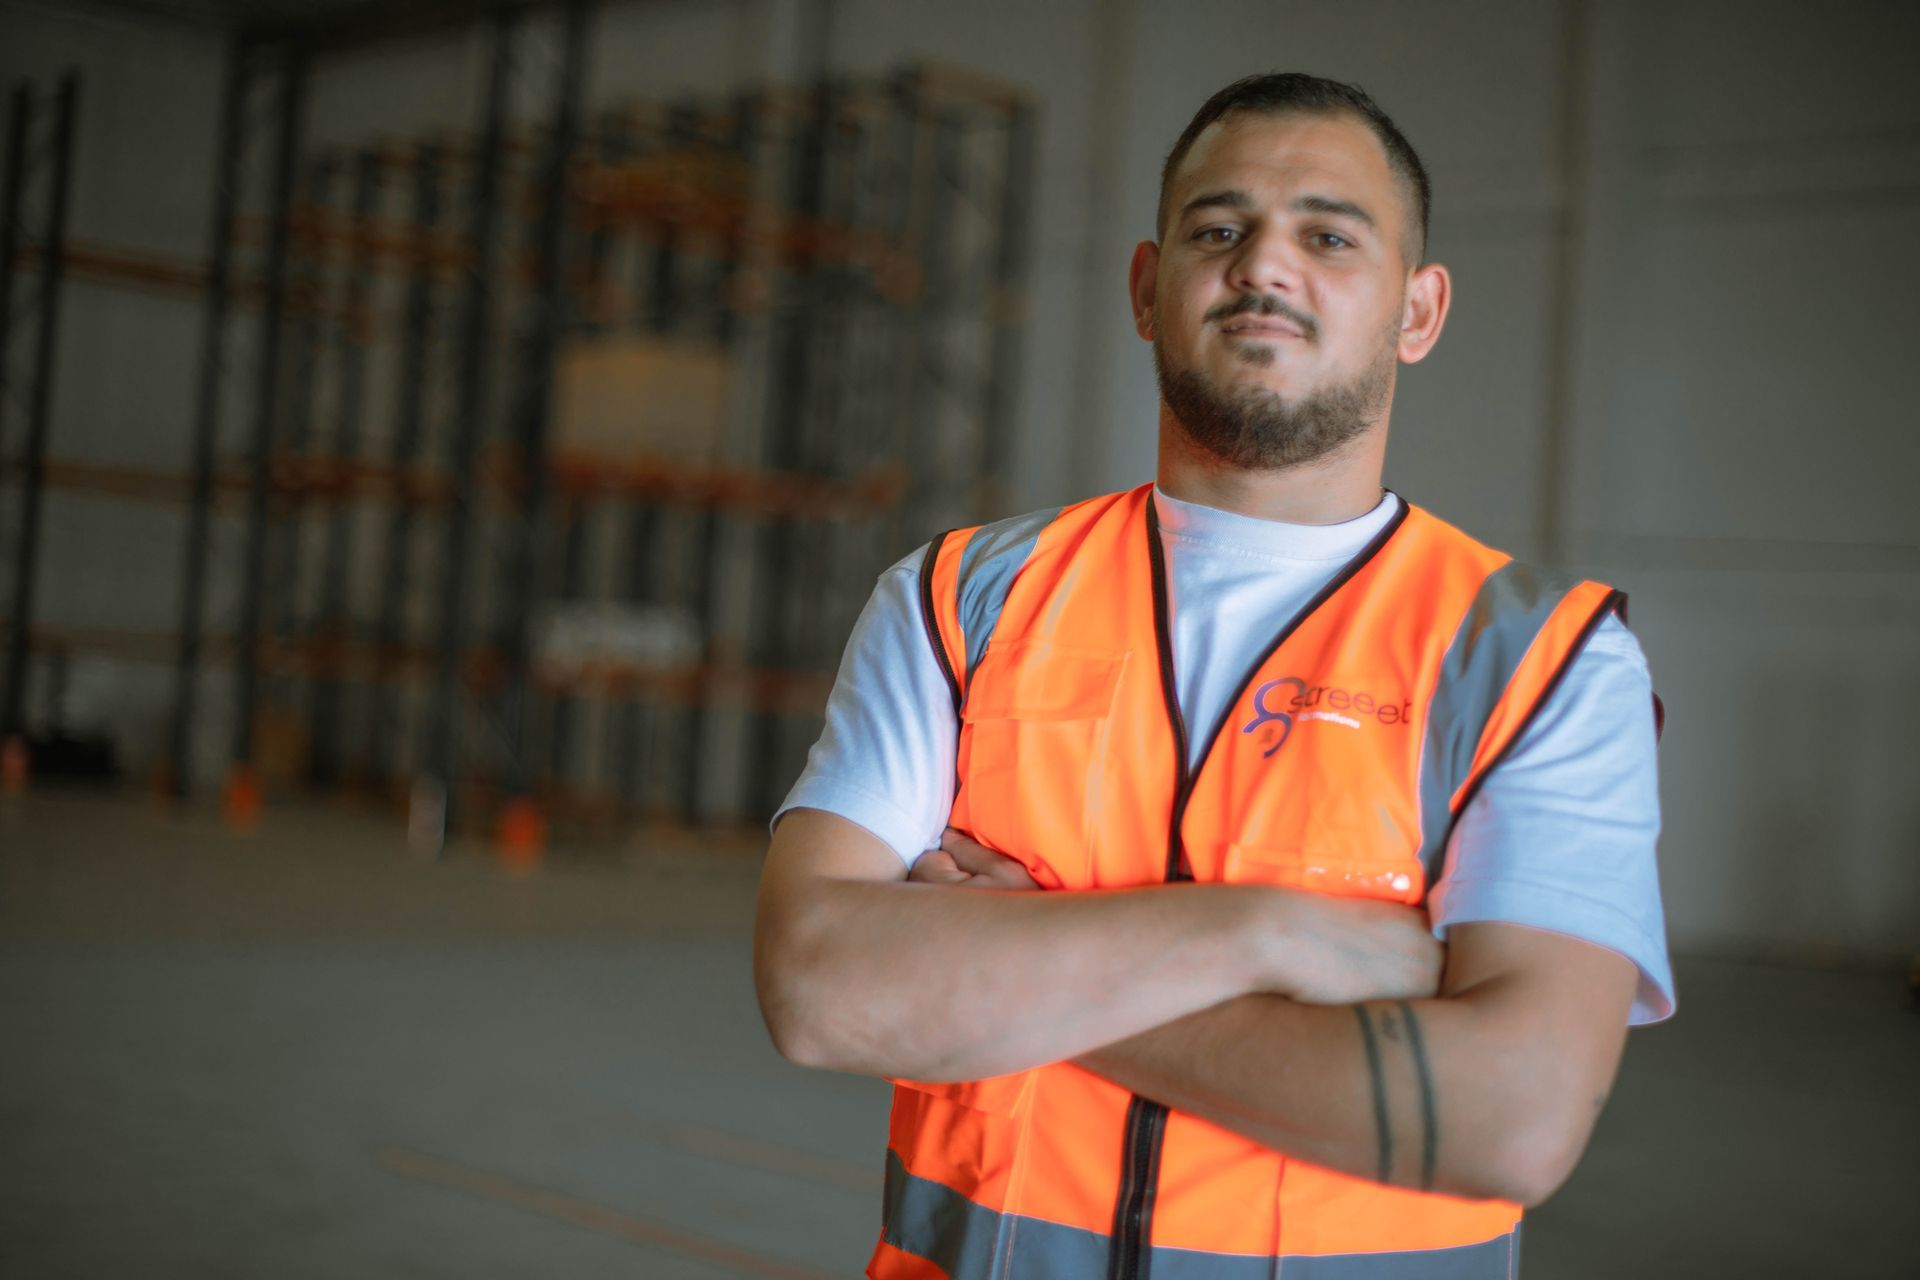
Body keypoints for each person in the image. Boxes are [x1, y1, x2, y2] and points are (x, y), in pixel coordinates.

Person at [753, 71, 1673, 1279]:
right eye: (1220, 228)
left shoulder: (1541, 657)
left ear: (1419, 308)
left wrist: (1025, 958)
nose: (1264, 266)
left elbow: (1514, 1115)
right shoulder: (962, 598)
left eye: (1329, 235)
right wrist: (1270, 933)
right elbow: (819, 988)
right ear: (1148, 288)